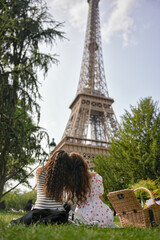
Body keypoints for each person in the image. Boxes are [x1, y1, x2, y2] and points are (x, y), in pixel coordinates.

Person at [10, 150, 77, 225]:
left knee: (22, 221)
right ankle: (45, 221)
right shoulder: (65, 176)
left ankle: (40, 221)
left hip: (38, 211)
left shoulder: (39, 171)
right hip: (58, 213)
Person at [69, 152, 114, 227]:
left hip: (83, 214)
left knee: (79, 221)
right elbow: (100, 197)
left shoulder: (73, 183)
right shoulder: (96, 177)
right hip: (103, 214)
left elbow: (76, 201)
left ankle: (92, 223)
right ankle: (95, 223)